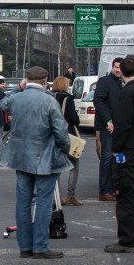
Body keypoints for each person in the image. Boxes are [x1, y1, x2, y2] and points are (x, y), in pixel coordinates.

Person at [1, 66, 71, 259]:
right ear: (45, 80)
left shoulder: (16, 98)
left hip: (20, 158)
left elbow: (2, 104)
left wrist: (17, 88)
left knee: (23, 202)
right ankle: (40, 246)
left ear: (26, 80)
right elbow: (61, 133)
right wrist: (65, 150)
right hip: (45, 159)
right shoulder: (49, 100)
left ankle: (25, 247)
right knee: (43, 202)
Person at [105, 55, 134, 253]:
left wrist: (116, 148)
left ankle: (126, 240)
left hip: (129, 150)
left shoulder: (127, 92)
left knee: (125, 194)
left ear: (120, 71)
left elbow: (123, 124)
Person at [95, 57, 124, 201]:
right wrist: (108, 120)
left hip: (117, 127)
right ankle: (105, 191)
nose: (118, 70)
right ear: (112, 67)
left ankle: (113, 188)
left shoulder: (120, 83)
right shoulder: (105, 81)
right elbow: (98, 100)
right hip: (108, 127)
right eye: (116, 67)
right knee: (106, 158)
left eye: (120, 67)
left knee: (115, 159)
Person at [52, 75, 82, 206]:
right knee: (74, 165)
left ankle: (57, 196)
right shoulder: (68, 99)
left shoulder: (49, 98)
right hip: (67, 135)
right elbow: (75, 119)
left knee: (56, 167)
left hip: (53, 136)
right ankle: (70, 195)